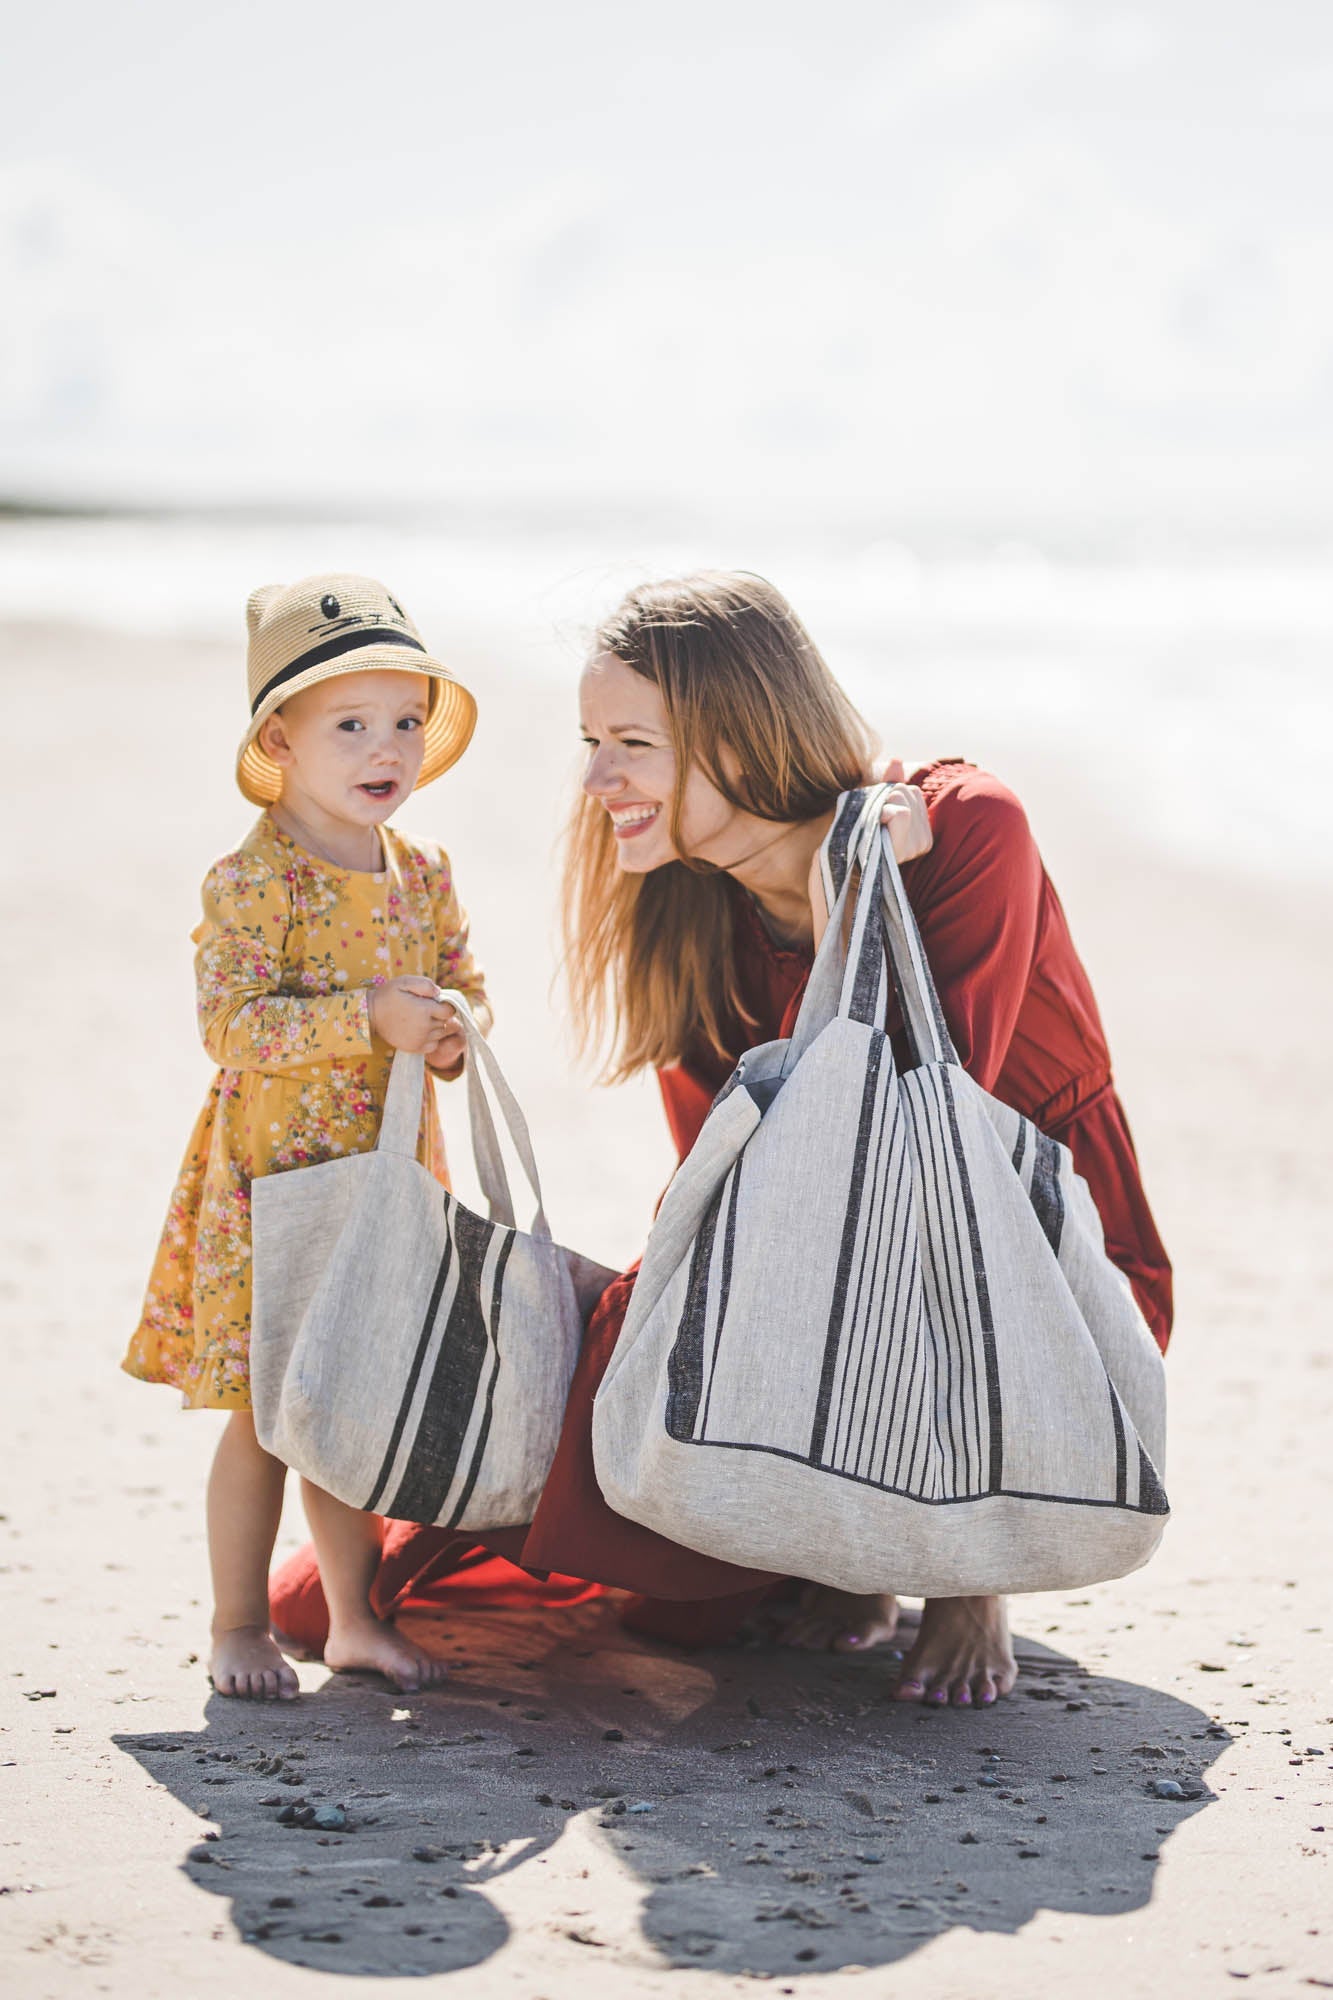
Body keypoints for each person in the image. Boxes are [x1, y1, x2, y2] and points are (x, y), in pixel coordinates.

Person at [269, 569, 1171, 1709]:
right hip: (813, 1294)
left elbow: (917, 1151)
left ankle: (945, 1547)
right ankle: (842, 1546)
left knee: (661, 1498)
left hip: (1034, 1291)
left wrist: (959, 1577)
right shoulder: (690, 917)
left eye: (631, 742)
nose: (597, 778)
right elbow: (726, 1207)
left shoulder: (962, 829)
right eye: (592, 739)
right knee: (397, 1585)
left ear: (740, 737)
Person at [123, 573, 490, 1700]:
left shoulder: (421, 872)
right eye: (351, 723)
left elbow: (466, 984)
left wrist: (448, 1033)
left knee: (347, 1406)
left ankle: (352, 1618)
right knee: (265, 1418)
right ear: (278, 737)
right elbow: (229, 1026)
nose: (387, 746)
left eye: (407, 722)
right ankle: (238, 1620)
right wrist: (365, 1016)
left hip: (380, 1179)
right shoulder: (256, 879)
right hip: (268, 1184)